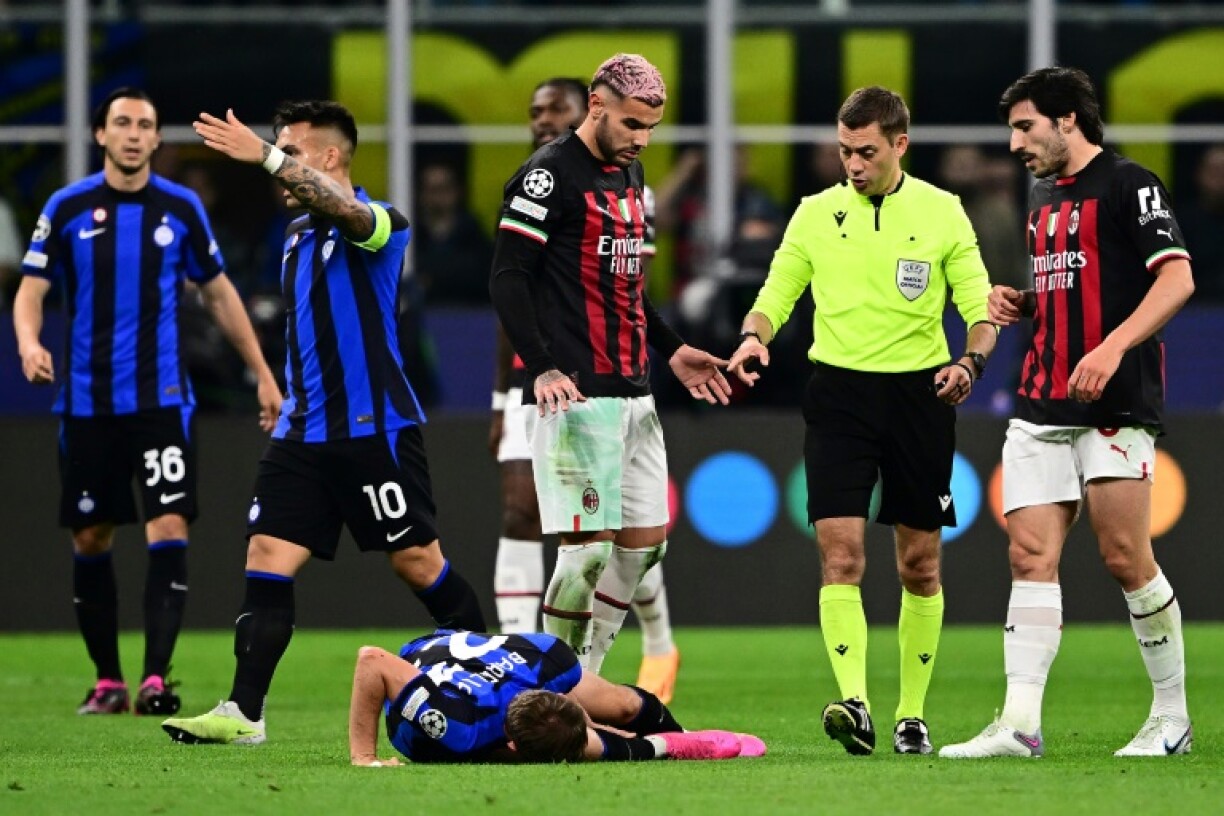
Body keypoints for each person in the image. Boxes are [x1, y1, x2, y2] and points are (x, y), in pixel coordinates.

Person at [160, 99, 486, 746]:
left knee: (418, 564)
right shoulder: (296, 238)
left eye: (294, 154)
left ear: (331, 157)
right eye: (278, 156)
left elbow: (348, 210)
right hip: (303, 431)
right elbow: (312, 328)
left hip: (373, 431)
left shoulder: (380, 222)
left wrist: (266, 155)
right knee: (267, 555)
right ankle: (244, 713)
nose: (280, 173)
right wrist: (278, 386)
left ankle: (490, 686)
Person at [726, 86, 997, 756]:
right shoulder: (816, 215)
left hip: (919, 398)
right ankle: (856, 702)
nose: (853, 163)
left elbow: (979, 306)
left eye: (866, 151)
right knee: (840, 555)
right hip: (840, 396)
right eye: (845, 150)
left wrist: (970, 364)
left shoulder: (942, 212)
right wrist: (754, 336)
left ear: (900, 144)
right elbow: (776, 292)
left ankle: (912, 714)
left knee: (920, 564)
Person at [940, 67, 1196, 760]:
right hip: (1041, 398)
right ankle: (1019, 725)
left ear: (1068, 120)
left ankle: (1171, 716)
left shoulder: (1130, 184)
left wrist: (1112, 347)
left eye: (1025, 126)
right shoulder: (1042, 198)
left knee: (1124, 557)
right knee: (1028, 555)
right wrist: (1027, 304)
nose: (1016, 142)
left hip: (1114, 400)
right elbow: (1072, 284)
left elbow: (1177, 276)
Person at [12, 87, 282, 716]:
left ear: (158, 140)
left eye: (146, 125)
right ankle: (107, 681)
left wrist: (263, 374)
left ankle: (156, 679)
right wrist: (28, 342)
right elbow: (31, 288)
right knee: (91, 535)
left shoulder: (181, 208)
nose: (134, 134)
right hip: (86, 404)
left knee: (168, 524)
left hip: (161, 401)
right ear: (100, 135)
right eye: (122, 123)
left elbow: (220, 294)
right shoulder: (68, 206)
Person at [488, 55, 731, 680]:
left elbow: (626, 285)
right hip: (575, 393)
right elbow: (508, 278)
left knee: (647, 544)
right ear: (596, 106)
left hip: (634, 390)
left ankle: (583, 676)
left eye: (651, 127)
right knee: (584, 554)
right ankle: (553, 689)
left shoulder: (630, 174)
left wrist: (672, 347)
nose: (641, 139)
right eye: (631, 124)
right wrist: (539, 367)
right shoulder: (546, 179)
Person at [347, 629, 765, 765]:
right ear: (511, 745)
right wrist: (364, 759)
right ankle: (663, 740)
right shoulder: (455, 728)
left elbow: (606, 730)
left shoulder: (549, 658)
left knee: (621, 706)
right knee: (594, 740)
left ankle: (676, 730)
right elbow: (372, 661)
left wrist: (677, 738)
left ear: (558, 693)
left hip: (493, 661)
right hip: (423, 663)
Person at [414, 161, 494, 306]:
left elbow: (483, 278)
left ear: (457, 191)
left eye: (443, 188)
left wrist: (432, 277)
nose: (437, 197)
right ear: (421, 194)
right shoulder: (411, 236)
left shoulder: (473, 233)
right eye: (431, 190)